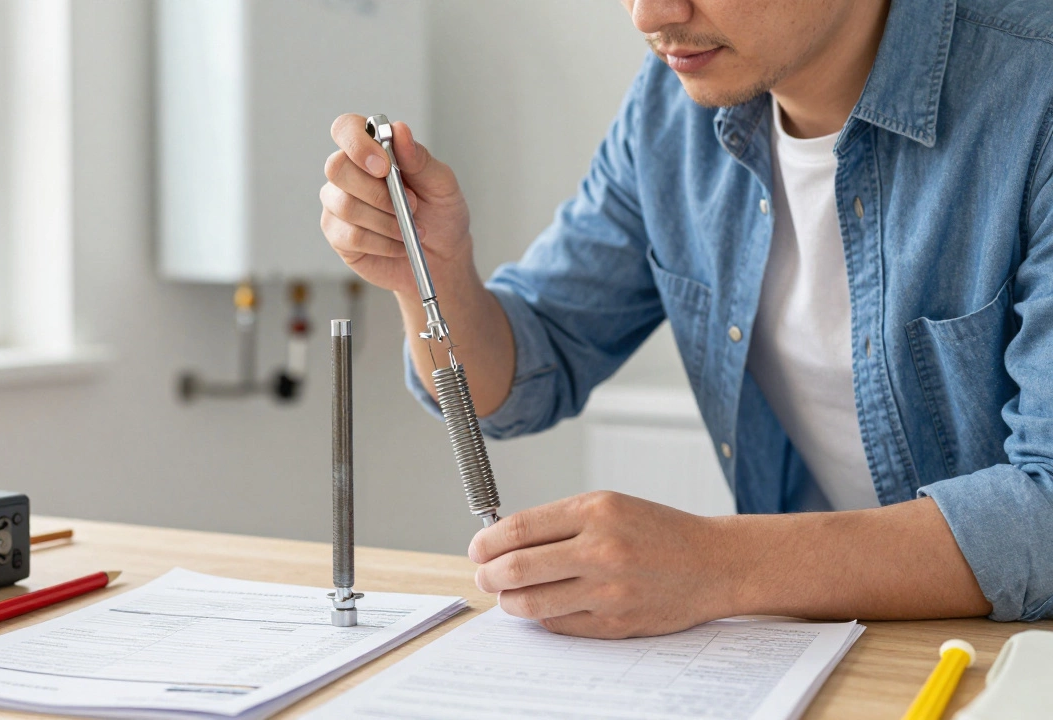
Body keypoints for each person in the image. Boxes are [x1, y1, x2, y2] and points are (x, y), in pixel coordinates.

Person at [319, 0, 1053, 639]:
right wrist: (430, 274)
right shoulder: (672, 111)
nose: (649, 15)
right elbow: (518, 379)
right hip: (845, 651)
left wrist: (716, 565)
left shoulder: (1035, 92)